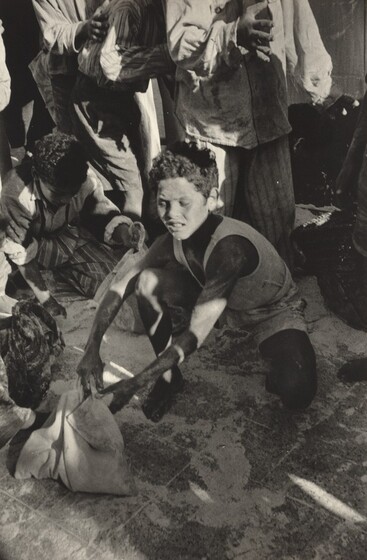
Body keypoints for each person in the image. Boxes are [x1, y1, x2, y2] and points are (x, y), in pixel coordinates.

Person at [77, 143, 317, 422]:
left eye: (184, 203)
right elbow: (121, 286)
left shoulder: (231, 250)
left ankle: (278, 352)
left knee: (297, 391)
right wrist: (91, 348)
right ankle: (169, 379)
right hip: (217, 304)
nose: (172, 215)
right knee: (146, 281)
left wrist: (133, 384)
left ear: (212, 198)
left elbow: (194, 335)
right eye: (163, 203)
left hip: (269, 312)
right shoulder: (170, 241)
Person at [164, 0, 339, 265]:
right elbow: (180, 43)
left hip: (268, 116)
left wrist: (325, 92)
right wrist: (233, 34)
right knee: (209, 232)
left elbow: (300, 24)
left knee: (277, 236)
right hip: (212, 121)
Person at [0, 132, 143, 317]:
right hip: (15, 246)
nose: (66, 199)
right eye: (58, 193)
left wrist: (125, 234)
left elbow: (99, 215)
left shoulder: (84, 180)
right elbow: (21, 251)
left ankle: (46, 276)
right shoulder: (15, 193)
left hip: (62, 239)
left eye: (72, 193)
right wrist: (47, 301)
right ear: (36, 176)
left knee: (116, 287)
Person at [70, 0, 176, 220]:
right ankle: (135, 247)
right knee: (133, 187)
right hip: (96, 100)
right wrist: (165, 57)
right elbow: (110, 63)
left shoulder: (157, 9)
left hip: (121, 97)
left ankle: (137, 229)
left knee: (142, 177)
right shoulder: (128, 7)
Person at [32, 0, 110, 134]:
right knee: (74, 144)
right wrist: (84, 29)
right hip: (69, 76)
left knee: (126, 146)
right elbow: (51, 33)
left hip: (118, 74)